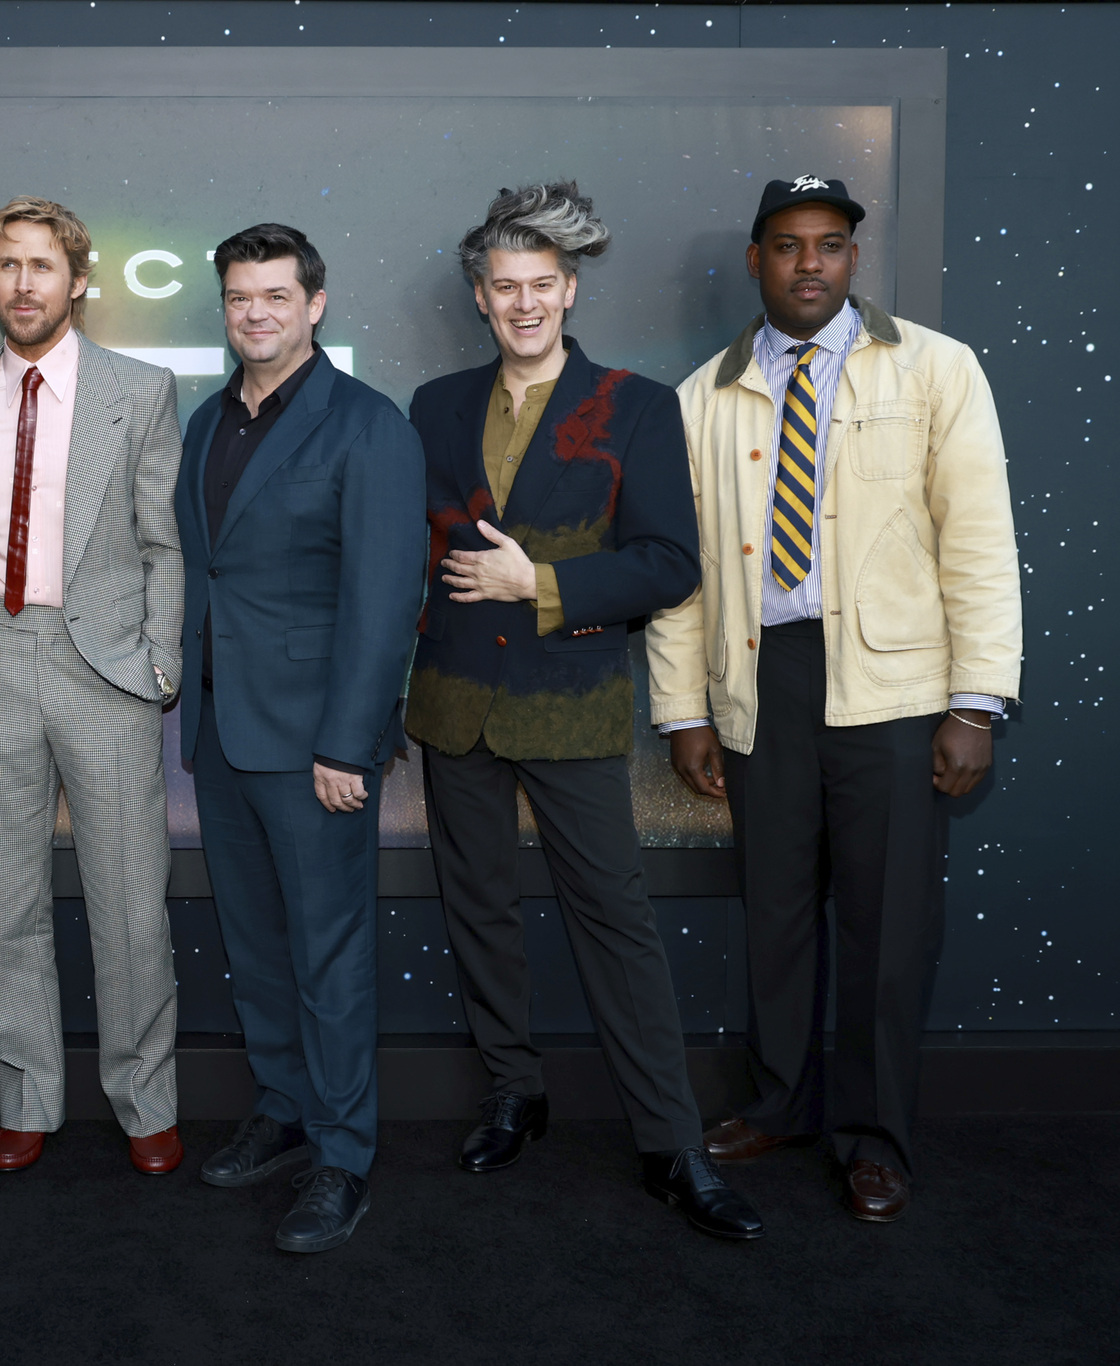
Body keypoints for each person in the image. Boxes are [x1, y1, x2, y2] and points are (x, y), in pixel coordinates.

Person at [646, 175, 1022, 1222]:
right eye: (785, 244)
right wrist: (682, 710)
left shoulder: (937, 368)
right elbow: (680, 573)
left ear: (853, 257)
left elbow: (979, 540)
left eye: (827, 244)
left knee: (885, 923)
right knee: (773, 913)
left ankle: (872, 1135)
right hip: (760, 679)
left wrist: (975, 702)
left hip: (896, 689)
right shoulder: (700, 395)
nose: (807, 262)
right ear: (756, 260)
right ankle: (780, 1102)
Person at [405, 182, 766, 1241]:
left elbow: (669, 563)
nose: (522, 303)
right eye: (503, 287)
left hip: (569, 701)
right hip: (453, 703)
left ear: (568, 290)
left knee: (615, 923)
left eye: (540, 285)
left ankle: (672, 1145)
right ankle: (513, 1093)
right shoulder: (433, 405)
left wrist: (543, 585)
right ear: (480, 297)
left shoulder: (637, 405)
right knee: (476, 910)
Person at [177, 223, 425, 1254]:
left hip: (315, 747)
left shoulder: (367, 425)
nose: (257, 313)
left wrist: (346, 745)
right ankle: (283, 1110)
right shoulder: (205, 421)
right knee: (257, 948)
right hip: (221, 736)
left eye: (276, 295)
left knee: (330, 956)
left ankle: (341, 1155)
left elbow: (383, 601)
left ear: (314, 305)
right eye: (240, 296)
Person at [0, 197, 185, 1176]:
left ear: (77, 281)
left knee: (130, 908)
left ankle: (145, 1101)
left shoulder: (141, 390)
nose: (23, 283)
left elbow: (163, 542)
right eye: (8, 265)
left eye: (42, 266)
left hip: (105, 670)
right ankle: (27, 1097)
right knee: (8, 906)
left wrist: (157, 663)